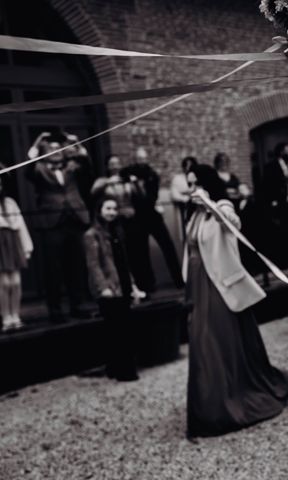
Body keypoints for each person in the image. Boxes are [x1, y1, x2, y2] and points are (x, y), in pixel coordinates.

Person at [183, 164, 288, 439]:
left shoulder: (220, 205)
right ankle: (206, 404)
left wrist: (210, 204)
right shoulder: (194, 214)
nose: (192, 189)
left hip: (219, 284)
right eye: (189, 184)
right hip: (198, 284)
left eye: (195, 183)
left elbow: (233, 223)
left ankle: (225, 402)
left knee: (216, 339)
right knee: (200, 339)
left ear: (207, 183)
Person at [25, 132, 91, 323]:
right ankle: (55, 310)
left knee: (76, 265)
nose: (55, 151)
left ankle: (77, 305)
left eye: (58, 147)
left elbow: (87, 164)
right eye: (51, 148)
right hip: (51, 224)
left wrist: (76, 142)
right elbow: (28, 167)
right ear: (44, 152)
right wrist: (37, 141)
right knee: (53, 269)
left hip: (74, 220)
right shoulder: (39, 169)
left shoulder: (72, 166)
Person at [84, 196, 140, 382]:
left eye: (114, 209)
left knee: (124, 328)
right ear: (99, 210)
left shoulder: (116, 232)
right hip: (109, 288)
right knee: (116, 330)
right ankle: (123, 370)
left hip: (121, 284)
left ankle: (116, 368)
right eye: (108, 208)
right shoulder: (92, 235)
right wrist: (103, 287)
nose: (112, 212)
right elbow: (94, 265)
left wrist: (132, 284)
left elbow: (123, 262)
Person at [120, 147, 184, 292]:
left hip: (152, 215)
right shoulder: (129, 171)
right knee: (142, 252)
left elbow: (152, 197)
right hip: (138, 219)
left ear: (146, 159)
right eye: (139, 158)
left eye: (143, 158)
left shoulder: (151, 174)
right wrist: (130, 180)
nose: (141, 161)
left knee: (168, 246)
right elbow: (122, 174)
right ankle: (149, 284)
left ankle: (179, 279)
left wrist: (136, 184)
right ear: (135, 159)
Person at [0, 169, 33, 331]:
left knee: (16, 282)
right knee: (4, 283)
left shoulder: (10, 202)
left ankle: (16, 315)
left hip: (13, 243)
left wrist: (27, 247)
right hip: (0, 244)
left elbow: (20, 225)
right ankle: (6, 317)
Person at [262, 142, 288, 269]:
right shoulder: (272, 166)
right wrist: (273, 201)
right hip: (280, 202)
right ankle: (285, 260)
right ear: (281, 152)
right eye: (287, 150)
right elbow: (268, 185)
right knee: (283, 231)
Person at [170, 156, 198, 239]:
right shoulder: (178, 179)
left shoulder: (197, 178)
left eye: (191, 166)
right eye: (186, 166)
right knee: (185, 233)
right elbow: (174, 195)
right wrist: (186, 198)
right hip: (183, 209)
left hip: (196, 209)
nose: (188, 168)